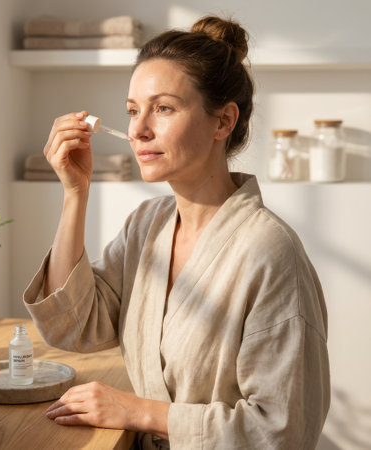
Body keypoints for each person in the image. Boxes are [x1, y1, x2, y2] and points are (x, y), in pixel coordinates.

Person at [24, 15, 330, 449]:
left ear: (223, 122)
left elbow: (283, 430)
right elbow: (74, 328)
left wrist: (136, 411)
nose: (138, 129)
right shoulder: (147, 226)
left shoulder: (270, 252)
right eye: (133, 111)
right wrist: (75, 193)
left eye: (162, 108)